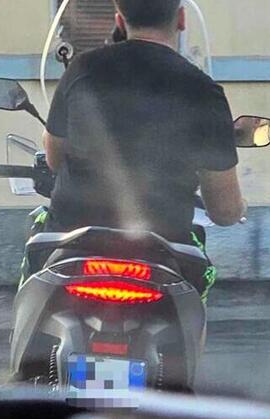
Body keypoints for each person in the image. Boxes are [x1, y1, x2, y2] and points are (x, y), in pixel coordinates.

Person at [39, 0, 247, 302]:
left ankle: (26, 345)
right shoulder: (205, 91)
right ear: (181, 19)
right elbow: (225, 211)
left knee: (36, 278)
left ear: (120, 22)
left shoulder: (82, 69)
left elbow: (54, 158)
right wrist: (238, 208)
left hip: (75, 240)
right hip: (161, 251)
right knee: (191, 311)